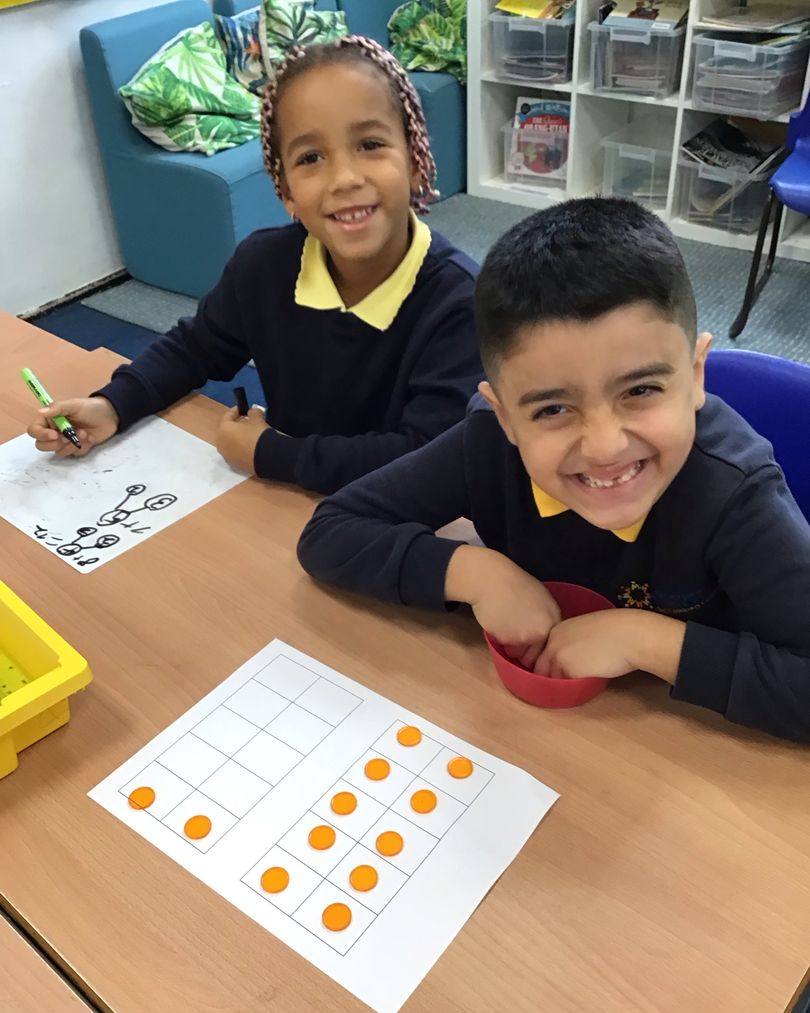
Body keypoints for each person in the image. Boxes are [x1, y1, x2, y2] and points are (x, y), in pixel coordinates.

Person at [298, 198, 810, 742]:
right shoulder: (488, 445)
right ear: (506, 417)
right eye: (553, 409)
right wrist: (477, 575)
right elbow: (332, 530)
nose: (605, 446)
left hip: (674, 745)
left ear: (697, 376)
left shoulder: (733, 492)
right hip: (529, 733)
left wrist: (644, 640)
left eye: (640, 390)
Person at [27, 37, 480, 495]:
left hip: (396, 518)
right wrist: (113, 405)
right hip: (287, 502)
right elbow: (194, 348)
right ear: (286, 191)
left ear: (416, 161)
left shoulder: (462, 304)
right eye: (311, 158)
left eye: (370, 144)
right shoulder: (264, 267)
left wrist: (272, 454)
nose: (345, 178)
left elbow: (429, 458)